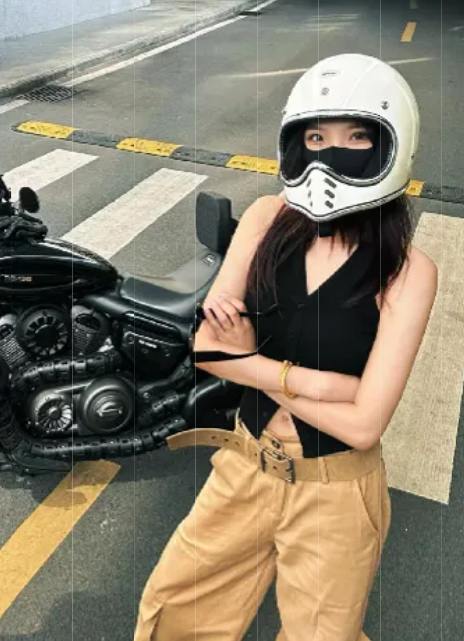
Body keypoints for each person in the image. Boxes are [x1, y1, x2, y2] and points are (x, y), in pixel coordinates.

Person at [133, 53, 438, 641]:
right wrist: (323, 385)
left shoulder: (408, 271)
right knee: (174, 613)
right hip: (244, 465)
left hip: (337, 494)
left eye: (356, 137)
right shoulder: (266, 218)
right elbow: (208, 348)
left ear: (390, 145)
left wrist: (252, 364)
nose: (329, 154)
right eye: (316, 137)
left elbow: (364, 427)